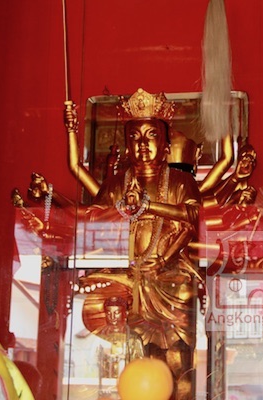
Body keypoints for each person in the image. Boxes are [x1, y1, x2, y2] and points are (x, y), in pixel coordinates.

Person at [70, 88, 201, 400]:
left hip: (172, 280)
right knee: (132, 355)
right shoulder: (116, 184)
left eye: (151, 135)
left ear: (166, 145)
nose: (143, 144)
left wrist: (148, 207)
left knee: (178, 359)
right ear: (127, 145)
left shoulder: (181, 182)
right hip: (129, 279)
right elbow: (94, 222)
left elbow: (193, 216)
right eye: (134, 137)